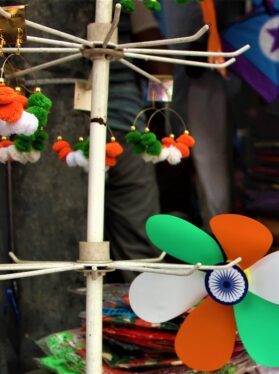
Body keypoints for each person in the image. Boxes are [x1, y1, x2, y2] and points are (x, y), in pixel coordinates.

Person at [104, 2, 171, 278]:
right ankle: (143, 302)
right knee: (138, 243)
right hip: (125, 126)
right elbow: (160, 64)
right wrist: (160, 116)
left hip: (55, 132)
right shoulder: (129, 4)